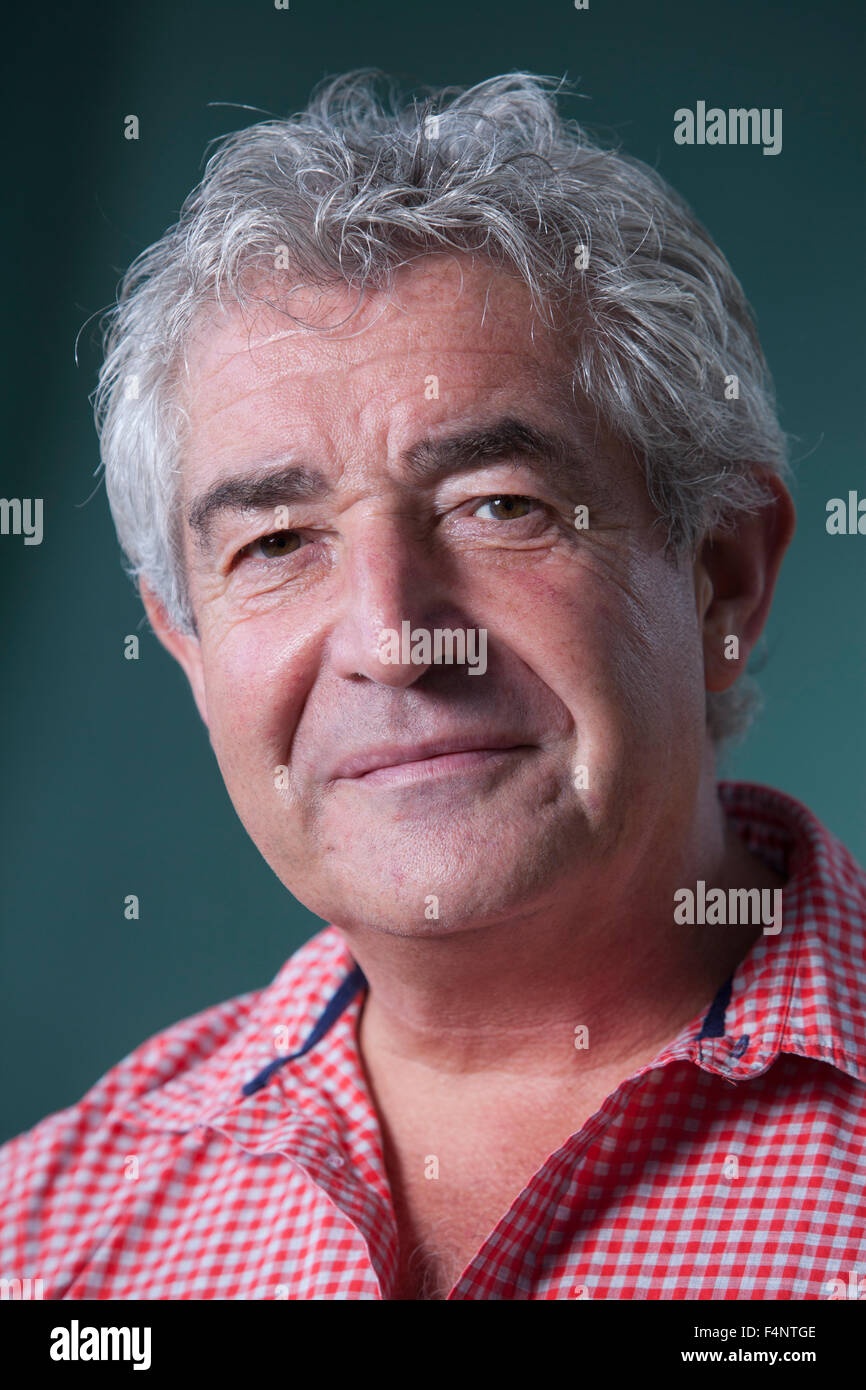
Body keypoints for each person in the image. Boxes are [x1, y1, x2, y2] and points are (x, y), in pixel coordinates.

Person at [2, 71, 864, 1302]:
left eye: (496, 507)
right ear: (188, 649)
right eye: (276, 543)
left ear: (720, 578)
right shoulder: (41, 1246)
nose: (395, 641)